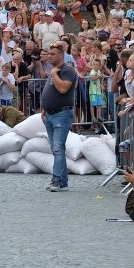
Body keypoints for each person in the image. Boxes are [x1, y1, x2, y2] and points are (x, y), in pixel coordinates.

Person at [40, 41, 78, 192]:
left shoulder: (67, 70)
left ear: (61, 55)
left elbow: (63, 89)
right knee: (56, 149)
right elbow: (49, 92)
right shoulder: (54, 70)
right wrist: (44, 111)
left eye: (53, 54)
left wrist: (54, 74)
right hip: (51, 114)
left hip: (62, 114)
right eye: (48, 54)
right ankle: (63, 182)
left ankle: (56, 180)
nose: (49, 56)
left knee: (58, 148)